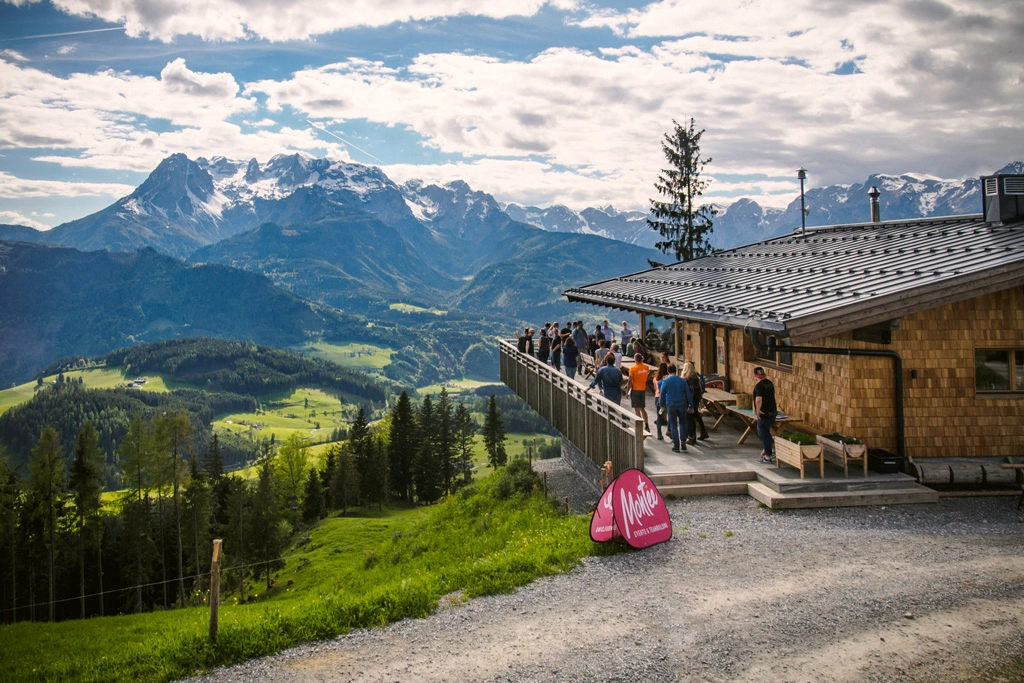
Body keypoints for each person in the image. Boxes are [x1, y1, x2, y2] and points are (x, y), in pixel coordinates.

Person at [658, 364, 693, 453]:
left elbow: (662, 394)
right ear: (676, 371)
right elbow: (688, 393)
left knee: (673, 424)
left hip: (671, 403)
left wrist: (661, 404)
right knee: (682, 422)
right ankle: (683, 442)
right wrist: (691, 405)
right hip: (682, 403)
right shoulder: (683, 380)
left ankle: (676, 445)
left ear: (668, 371)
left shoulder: (666, 381)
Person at [753, 366, 777, 463]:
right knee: (766, 432)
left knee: (764, 434)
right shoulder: (770, 384)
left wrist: (758, 411)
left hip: (764, 413)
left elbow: (759, 399)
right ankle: (772, 449)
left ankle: (768, 455)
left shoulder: (759, 386)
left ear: (755, 375)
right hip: (773, 411)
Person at [682, 362, 709, 444]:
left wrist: (690, 402)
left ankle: (691, 436)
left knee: (689, 419)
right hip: (694, 401)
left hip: (691, 402)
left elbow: (693, 392)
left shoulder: (691, 380)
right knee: (695, 416)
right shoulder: (695, 378)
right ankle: (701, 433)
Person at [628, 353, 651, 431]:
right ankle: (647, 424)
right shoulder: (646, 367)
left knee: (636, 409)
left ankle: (639, 425)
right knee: (642, 408)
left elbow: (630, 381)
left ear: (635, 359)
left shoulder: (632, 369)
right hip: (643, 389)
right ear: (642, 359)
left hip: (635, 389)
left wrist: (628, 391)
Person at [653, 362, 669, 440]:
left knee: (659, 415)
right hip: (667, 399)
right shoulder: (668, 377)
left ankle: (659, 433)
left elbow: (655, 388)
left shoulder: (656, 377)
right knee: (670, 415)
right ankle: (669, 430)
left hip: (658, 398)